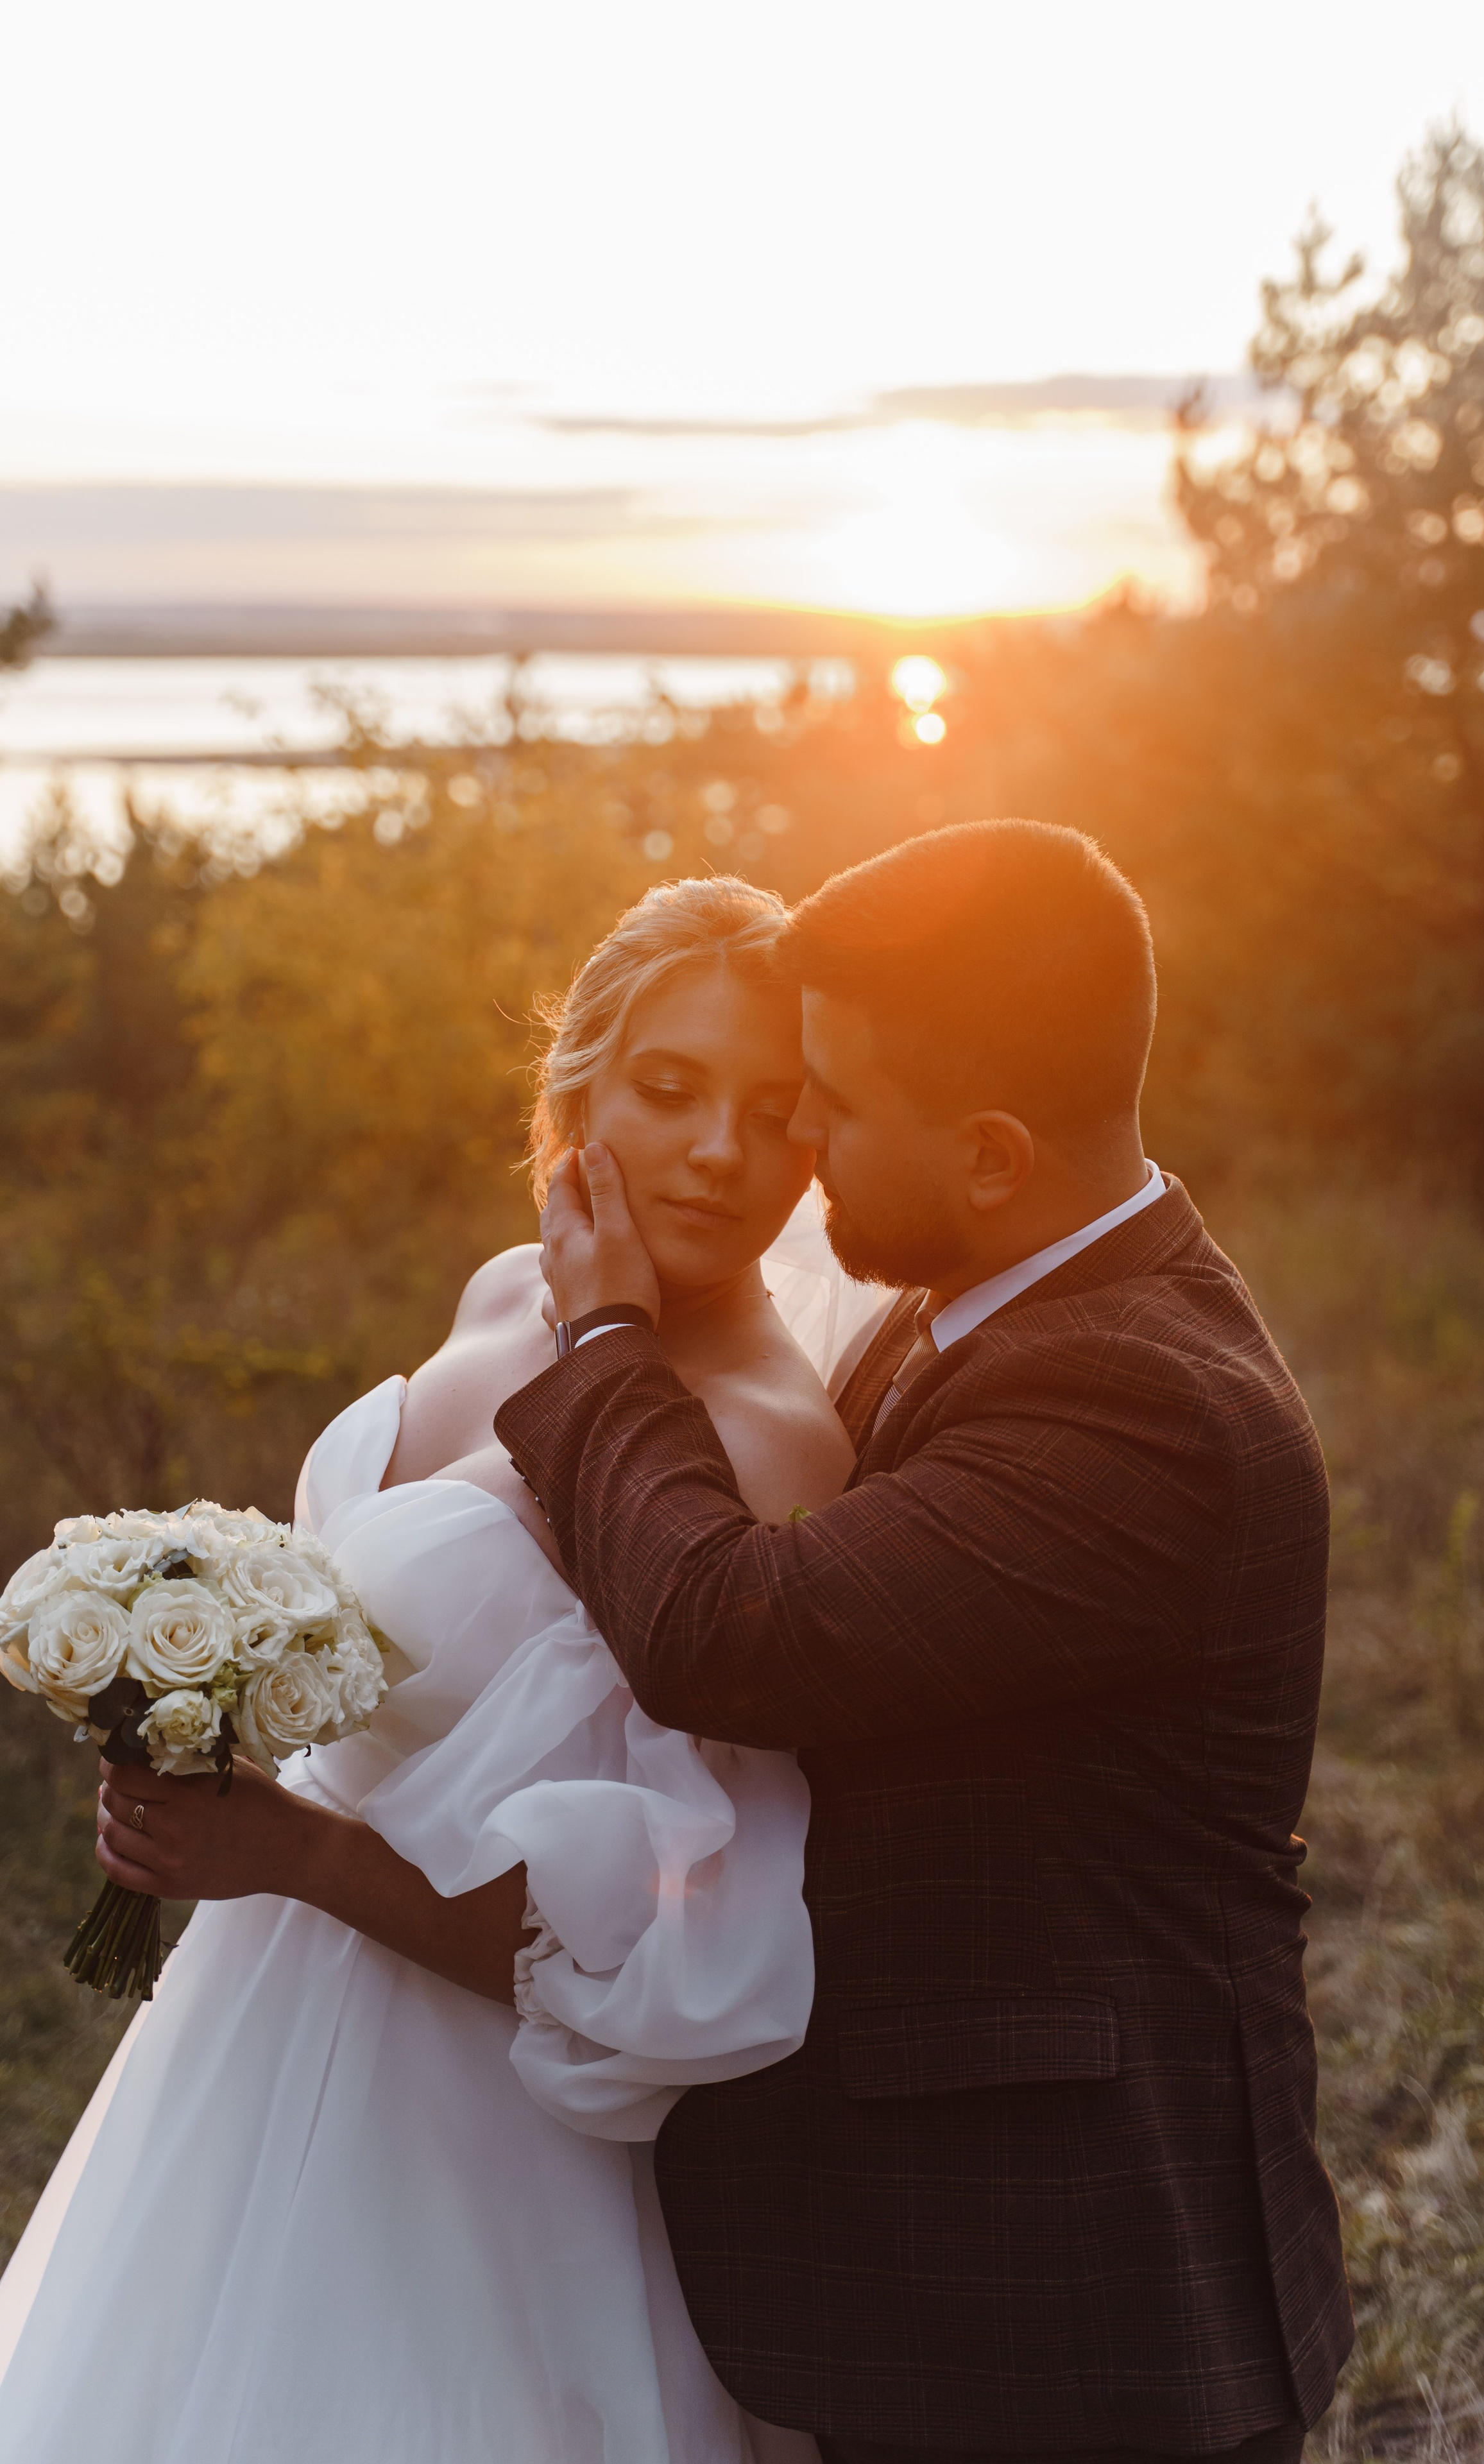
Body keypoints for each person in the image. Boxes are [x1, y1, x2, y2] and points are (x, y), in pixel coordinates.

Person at [504, 818, 1356, 2463]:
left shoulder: (1139, 1401)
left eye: (827, 1103)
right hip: (955, 2282)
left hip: (1078, 2310)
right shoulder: (974, 1295)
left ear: (986, 1156)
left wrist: (603, 1340)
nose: (796, 1146)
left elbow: (723, 1631)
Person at [0, 876, 866, 2464]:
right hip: (258, 2041)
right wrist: (194, 1699)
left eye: (778, 1115)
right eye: (670, 1093)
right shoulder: (497, 1291)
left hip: (498, 2148)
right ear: (574, 1092)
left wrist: (297, 1852)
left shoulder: (760, 1433)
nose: (724, 1155)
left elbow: (672, 1950)